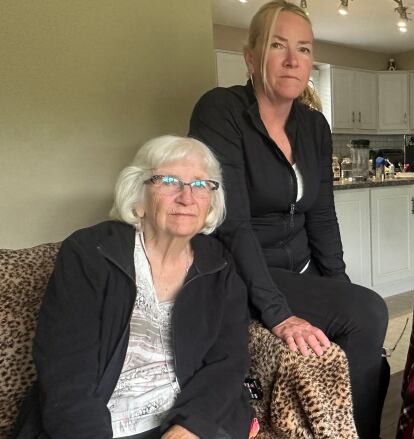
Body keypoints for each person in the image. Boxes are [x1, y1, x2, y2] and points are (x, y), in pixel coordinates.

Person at [188, 1, 389, 437]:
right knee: (371, 311)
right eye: (278, 45)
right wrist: (278, 314)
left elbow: (322, 215)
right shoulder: (221, 111)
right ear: (250, 55)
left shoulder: (313, 124)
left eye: (304, 48)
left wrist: (339, 285)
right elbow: (232, 224)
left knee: (365, 324)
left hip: (298, 267)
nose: (293, 59)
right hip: (238, 270)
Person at [14, 136, 252, 439]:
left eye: (201, 185)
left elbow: (228, 360)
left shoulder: (220, 265)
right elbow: (66, 371)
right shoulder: (90, 253)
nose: (187, 197)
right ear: (138, 197)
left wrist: (191, 425)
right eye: (169, 181)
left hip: (184, 418)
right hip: (95, 423)